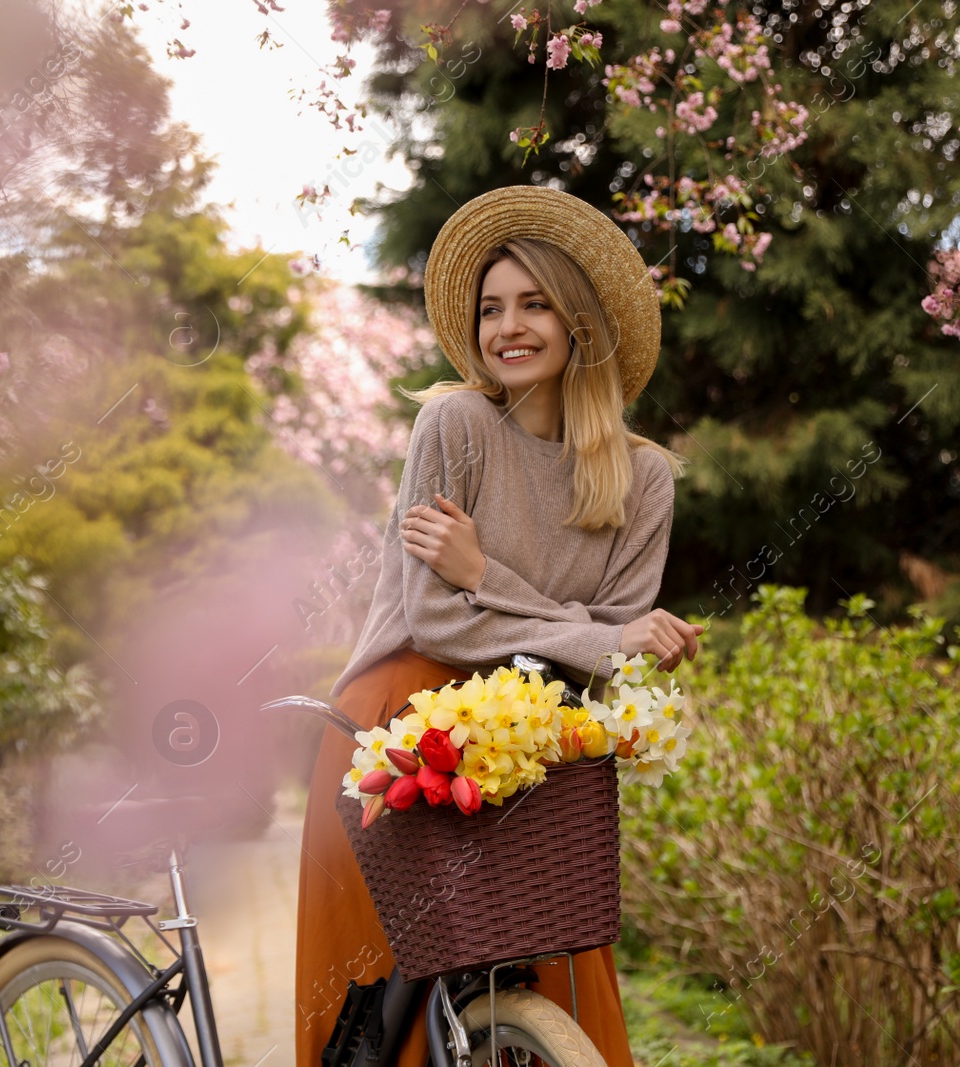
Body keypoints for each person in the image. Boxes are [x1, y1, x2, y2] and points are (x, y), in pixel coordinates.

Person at [293, 184, 705, 1067]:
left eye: (534, 304)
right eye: (490, 308)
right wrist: (575, 624)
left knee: (547, 965)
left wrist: (488, 575)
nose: (507, 328)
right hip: (401, 727)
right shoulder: (455, 424)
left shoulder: (644, 480)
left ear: (579, 323)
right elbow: (435, 616)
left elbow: (607, 656)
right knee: (378, 1011)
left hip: (541, 730)